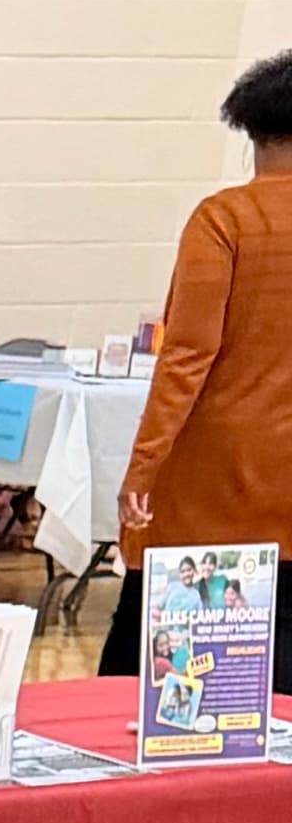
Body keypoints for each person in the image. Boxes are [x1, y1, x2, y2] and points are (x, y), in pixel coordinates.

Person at [105, 50, 292, 666]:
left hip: (217, 482)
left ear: (250, 132)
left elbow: (188, 353)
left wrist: (143, 468)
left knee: (161, 664)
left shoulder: (224, 218)